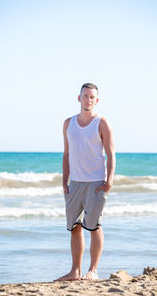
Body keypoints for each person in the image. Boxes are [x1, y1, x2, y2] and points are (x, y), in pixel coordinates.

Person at [56, 83, 115, 281]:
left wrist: (109, 181)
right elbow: (66, 154)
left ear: (96, 101)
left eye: (92, 97)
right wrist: (65, 182)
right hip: (75, 183)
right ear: (78, 98)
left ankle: (93, 270)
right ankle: (75, 271)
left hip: (96, 182)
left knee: (94, 226)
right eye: (85, 96)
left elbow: (111, 154)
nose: (88, 100)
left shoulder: (102, 123)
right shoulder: (68, 123)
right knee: (74, 227)